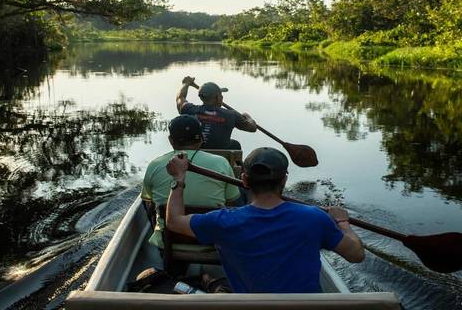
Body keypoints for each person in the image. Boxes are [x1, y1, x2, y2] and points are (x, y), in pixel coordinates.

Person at [164, 147, 365, 293]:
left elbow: (173, 220)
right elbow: (356, 255)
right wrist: (341, 222)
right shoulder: (314, 217)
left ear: (244, 180)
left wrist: (179, 178)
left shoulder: (222, 222)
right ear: (284, 180)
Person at [141, 114, 241, 253]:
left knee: (148, 204)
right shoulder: (221, 163)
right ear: (201, 139)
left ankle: (165, 254)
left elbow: (149, 203)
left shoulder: (154, 165)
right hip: (212, 237)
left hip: (170, 238)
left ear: (171, 140)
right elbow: (231, 201)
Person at [176, 76, 257, 150]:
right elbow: (253, 128)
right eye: (221, 94)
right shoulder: (231, 115)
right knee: (235, 145)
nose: (222, 96)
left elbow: (180, 98)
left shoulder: (190, 109)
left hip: (198, 153)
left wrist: (185, 84)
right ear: (218, 98)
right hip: (221, 156)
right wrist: (248, 117)